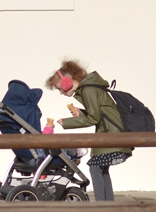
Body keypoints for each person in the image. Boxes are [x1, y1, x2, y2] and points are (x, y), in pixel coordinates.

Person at [45, 60, 132, 201]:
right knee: (102, 170)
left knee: (95, 168)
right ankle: (107, 206)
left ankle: (101, 207)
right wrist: (83, 113)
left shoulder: (88, 90)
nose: (61, 92)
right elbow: (98, 114)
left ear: (68, 80)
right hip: (111, 131)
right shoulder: (89, 88)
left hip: (110, 133)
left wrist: (67, 122)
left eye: (60, 88)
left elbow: (93, 118)